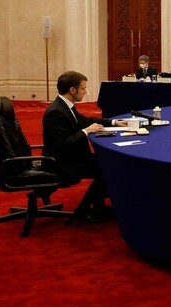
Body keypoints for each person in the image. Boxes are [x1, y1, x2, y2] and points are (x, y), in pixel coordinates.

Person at [43, 71, 127, 223]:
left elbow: (86, 120)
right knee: (108, 168)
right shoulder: (55, 112)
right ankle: (83, 210)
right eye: (83, 88)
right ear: (72, 90)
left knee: (109, 164)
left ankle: (98, 207)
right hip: (63, 162)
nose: (85, 92)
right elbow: (62, 145)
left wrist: (114, 123)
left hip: (75, 157)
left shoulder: (65, 106)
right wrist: (86, 132)